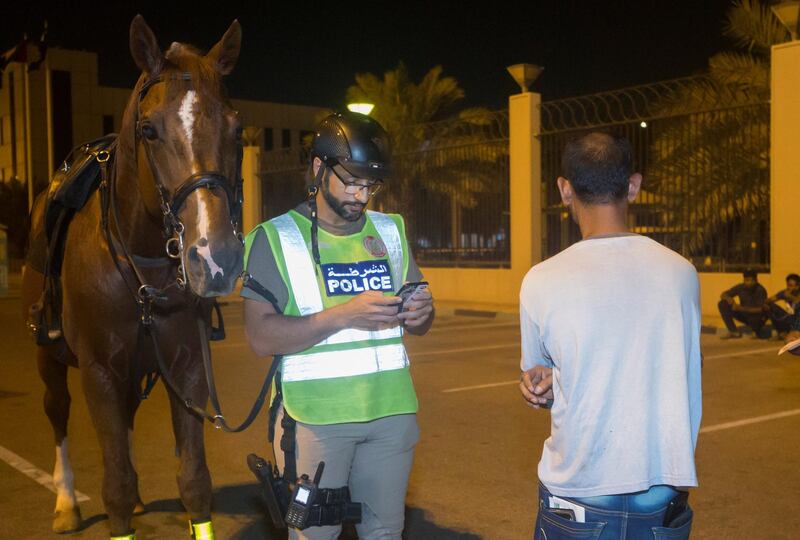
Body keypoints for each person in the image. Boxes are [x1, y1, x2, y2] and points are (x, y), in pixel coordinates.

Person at [241, 111, 434, 540]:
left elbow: (419, 314)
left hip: (392, 413)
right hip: (316, 419)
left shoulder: (390, 229)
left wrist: (422, 313)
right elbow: (260, 336)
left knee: (385, 533)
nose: (361, 195)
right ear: (317, 168)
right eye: (351, 181)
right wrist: (343, 315)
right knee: (316, 537)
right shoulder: (275, 238)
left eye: (370, 185)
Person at [518, 132, 701, 539]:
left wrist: (543, 384)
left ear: (565, 190)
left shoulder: (541, 280)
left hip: (577, 494)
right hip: (659, 495)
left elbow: (538, 377)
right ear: (633, 185)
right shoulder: (681, 273)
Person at [718, 270, 769, 339]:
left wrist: (740, 308)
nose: (749, 283)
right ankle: (733, 331)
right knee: (722, 304)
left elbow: (761, 309)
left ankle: (757, 331)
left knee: (758, 317)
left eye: (752, 280)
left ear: (756, 280)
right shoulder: (741, 287)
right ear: (744, 280)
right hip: (744, 314)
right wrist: (729, 299)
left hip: (756, 317)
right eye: (747, 280)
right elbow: (723, 294)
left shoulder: (760, 290)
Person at [765, 273, 800, 340]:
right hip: (790, 317)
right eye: (789, 285)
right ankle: (779, 331)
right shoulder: (785, 293)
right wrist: (767, 303)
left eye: (793, 286)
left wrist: (791, 297)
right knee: (771, 307)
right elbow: (769, 300)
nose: (790, 288)